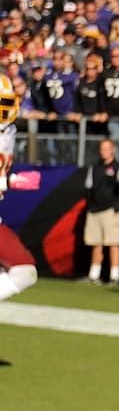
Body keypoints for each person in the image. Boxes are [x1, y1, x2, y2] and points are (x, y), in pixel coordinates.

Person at [0, 73, 38, 301]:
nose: (4, 109)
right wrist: (10, 181)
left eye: (6, 102)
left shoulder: (9, 131)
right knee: (24, 272)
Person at [82, 138, 119, 285]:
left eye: (107, 148)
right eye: (102, 148)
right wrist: (91, 205)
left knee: (113, 243)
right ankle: (94, 275)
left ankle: (114, 276)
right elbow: (88, 188)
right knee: (96, 243)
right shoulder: (95, 168)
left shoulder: (118, 168)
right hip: (95, 210)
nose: (104, 151)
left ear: (113, 149)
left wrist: (117, 207)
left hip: (111, 211)